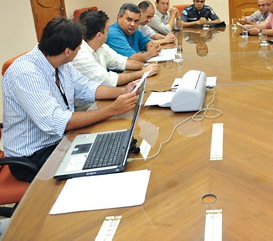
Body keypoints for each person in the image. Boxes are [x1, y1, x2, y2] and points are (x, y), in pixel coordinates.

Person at [2, 18, 140, 182]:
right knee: (100, 170)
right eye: (79, 47)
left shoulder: (59, 61)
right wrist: (113, 110)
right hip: (33, 156)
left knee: (116, 148)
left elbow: (86, 87)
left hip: (60, 141)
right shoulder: (25, 73)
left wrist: (123, 91)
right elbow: (58, 122)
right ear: (68, 51)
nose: (80, 50)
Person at [73, 9, 158, 87]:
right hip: (91, 103)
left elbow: (123, 62)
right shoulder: (81, 56)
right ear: (99, 35)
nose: (108, 32)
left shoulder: (101, 47)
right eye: (107, 29)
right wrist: (143, 72)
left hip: (103, 94)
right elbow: (110, 80)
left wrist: (146, 66)